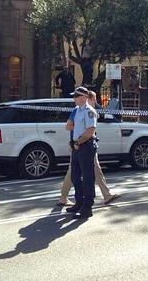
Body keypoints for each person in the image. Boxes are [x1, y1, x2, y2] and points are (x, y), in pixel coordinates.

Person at [57, 90, 119, 207]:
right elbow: (70, 126)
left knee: (95, 170)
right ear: (88, 98)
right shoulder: (79, 110)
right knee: (77, 172)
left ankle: (106, 195)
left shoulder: (86, 111)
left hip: (84, 144)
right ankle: (67, 198)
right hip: (80, 145)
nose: (95, 102)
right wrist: (80, 134)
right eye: (94, 99)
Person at [65, 86, 98, 218]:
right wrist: (75, 142)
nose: (74, 98)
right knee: (75, 176)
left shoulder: (90, 112)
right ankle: (78, 202)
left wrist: (79, 142)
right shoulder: (76, 110)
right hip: (77, 146)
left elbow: (90, 130)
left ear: (84, 97)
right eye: (74, 96)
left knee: (87, 177)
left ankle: (87, 206)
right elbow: (68, 126)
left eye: (76, 96)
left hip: (86, 146)